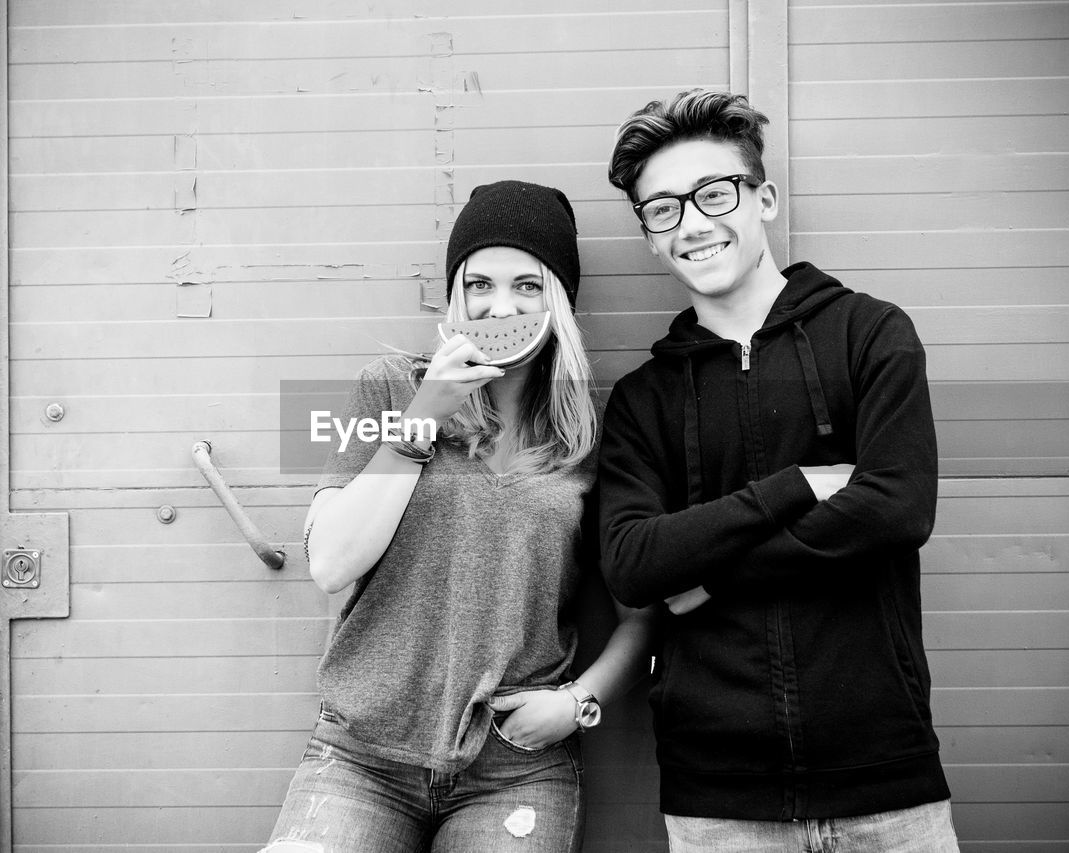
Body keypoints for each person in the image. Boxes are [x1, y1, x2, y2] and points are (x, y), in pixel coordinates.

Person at [597, 89, 960, 851]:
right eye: (662, 209)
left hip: (885, 781)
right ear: (650, 238)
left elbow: (895, 509)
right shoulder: (642, 401)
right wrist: (797, 486)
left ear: (762, 198)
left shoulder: (870, 334)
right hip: (717, 801)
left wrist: (709, 575)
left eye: (713, 193)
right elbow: (632, 563)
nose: (692, 222)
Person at [264, 180, 654, 853]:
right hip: (361, 757)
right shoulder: (391, 386)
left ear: (558, 300)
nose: (501, 304)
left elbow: (640, 615)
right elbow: (330, 563)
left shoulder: (592, 435)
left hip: (515, 767)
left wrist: (577, 703)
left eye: (528, 285)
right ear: (455, 295)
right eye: (480, 283)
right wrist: (421, 418)